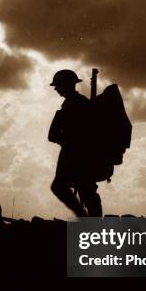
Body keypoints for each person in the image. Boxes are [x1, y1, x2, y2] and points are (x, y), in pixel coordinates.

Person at [48, 69, 102, 217]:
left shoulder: (75, 104)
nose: (56, 89)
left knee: (68, 187)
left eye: (58, 85)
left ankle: (85, 218)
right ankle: (88, 220)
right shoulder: (75, 103)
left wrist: (64, 141)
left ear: (66, 85)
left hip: (75, 153)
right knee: (86, 189)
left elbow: (82, 132)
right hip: (76, 151)